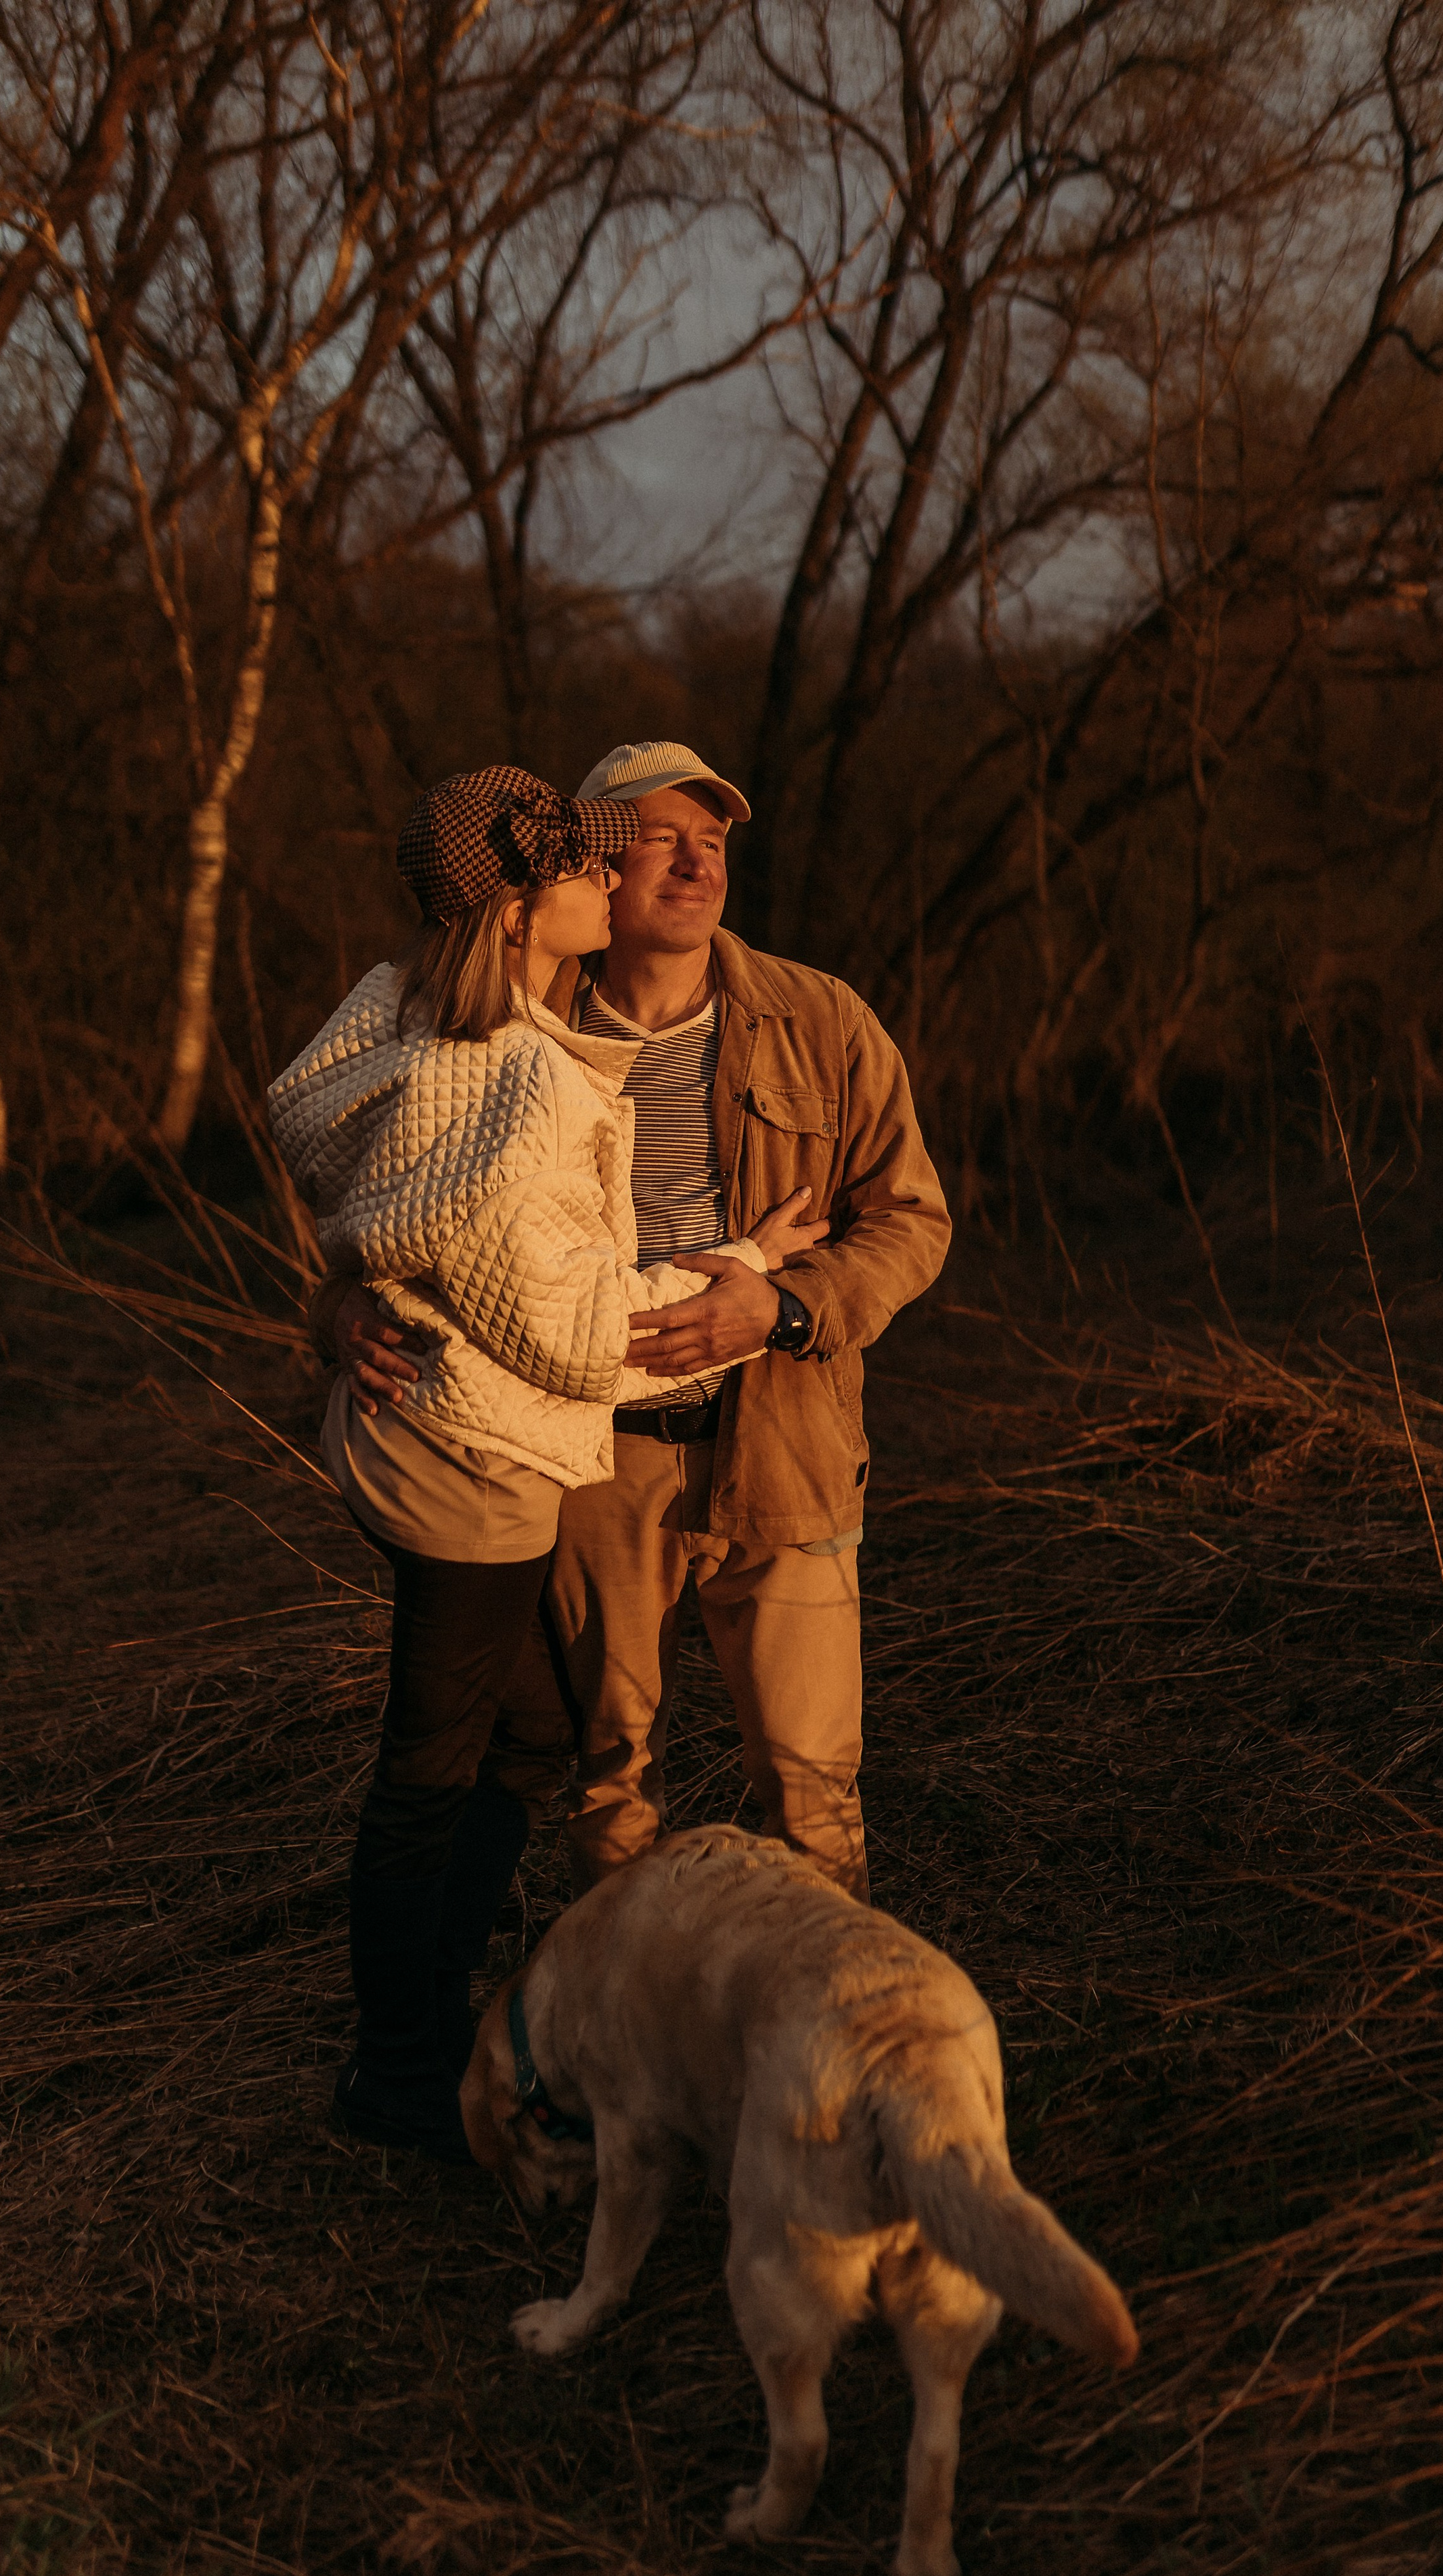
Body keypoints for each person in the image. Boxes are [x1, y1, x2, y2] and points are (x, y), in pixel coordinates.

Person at [268, 765, 825, 2158]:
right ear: (518, 911)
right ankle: (401, 2077)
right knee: (433, 1766)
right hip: (478, 1471)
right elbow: (581, 1336)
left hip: (406, 1440)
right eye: (579, 866)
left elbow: (312, 1127)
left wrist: (352, 1289)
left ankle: (431, 2023)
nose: (606, 876)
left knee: (525, 1728)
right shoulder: (520, 1085)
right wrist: (747, 1272)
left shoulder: (407, 1017)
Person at [323, 739, 952, 1907]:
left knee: (812, 1787)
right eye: (661, 835)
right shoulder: (510, 1022)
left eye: (713, 839)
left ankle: (821, 2034)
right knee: (611, 1782)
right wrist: (348, 1297)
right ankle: (625, 2046)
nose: (695, 860)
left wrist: (789, 1303)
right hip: (597, 1462)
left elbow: (912, 1221)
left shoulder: (821, 1020)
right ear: (598, 865)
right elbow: (399, 1193)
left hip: (788, 1452)